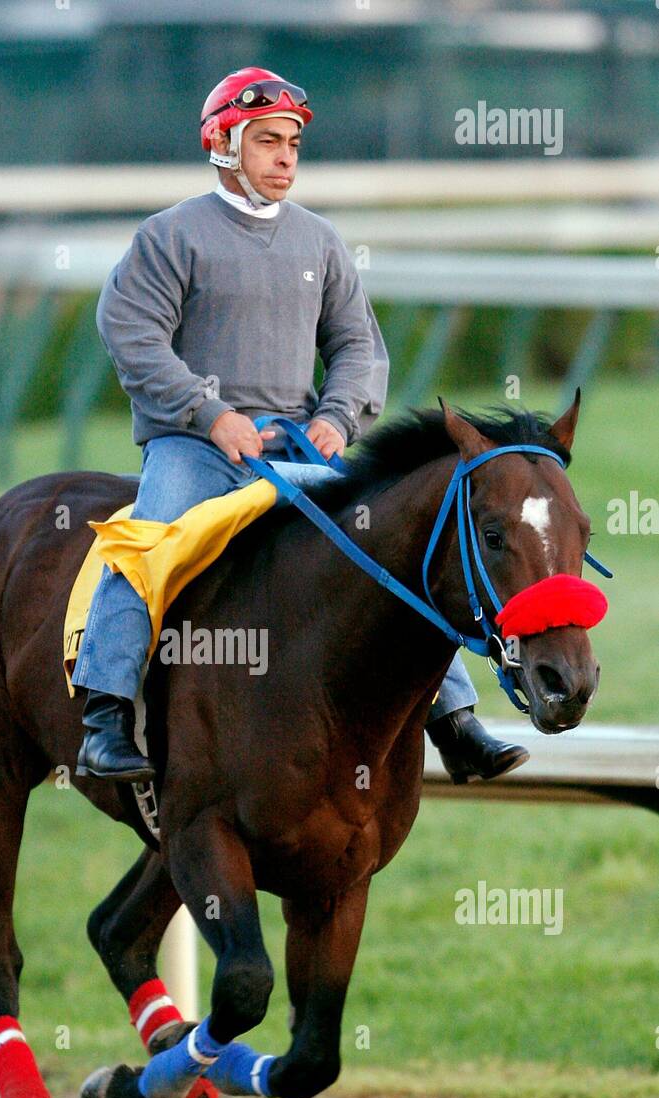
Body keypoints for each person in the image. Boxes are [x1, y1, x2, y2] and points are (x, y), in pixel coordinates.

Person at [73, 66, 528, 786]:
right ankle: (103, 715)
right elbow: (130, 333)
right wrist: (209, 413)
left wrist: (335, 417)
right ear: (222, 144)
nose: (284, 157)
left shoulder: (318, 241)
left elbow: (356, 346)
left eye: (291, 143)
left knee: (389, 548)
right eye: (266, 142)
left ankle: (455, 720)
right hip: (194, 447)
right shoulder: (168, 237)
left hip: (292, 447)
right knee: (146, 547)